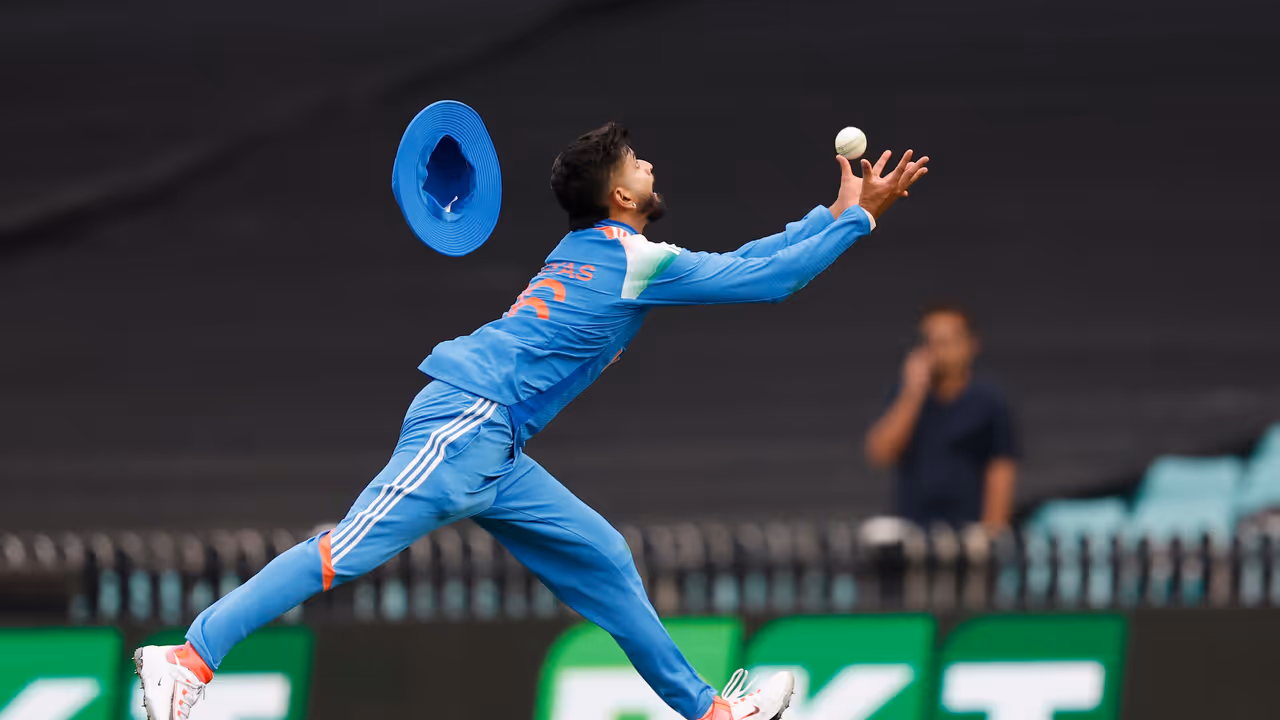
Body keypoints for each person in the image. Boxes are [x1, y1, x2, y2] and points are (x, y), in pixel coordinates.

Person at [133, 123, 928, 720]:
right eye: (637, 165)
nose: (650, 168)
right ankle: (188, 657)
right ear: (621, 198)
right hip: (465, 421)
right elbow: (769, 280)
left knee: (604, 558)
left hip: (497, 445)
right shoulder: (631, 261)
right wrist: (853, 221)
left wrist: (835, 213)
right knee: (344, 550)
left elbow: (749, 263)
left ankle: (710, 713)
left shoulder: (598, 247)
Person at [864, 305, 1019, 531]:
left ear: (971, 345)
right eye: (930, 342)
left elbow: (1001, 469)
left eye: (945, 342)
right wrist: (912, 393)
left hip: (969, 530)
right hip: (913, 529)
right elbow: (880, 453)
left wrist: (993, 530)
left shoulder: (989, 401)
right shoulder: (907, 396)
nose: (937, 351)